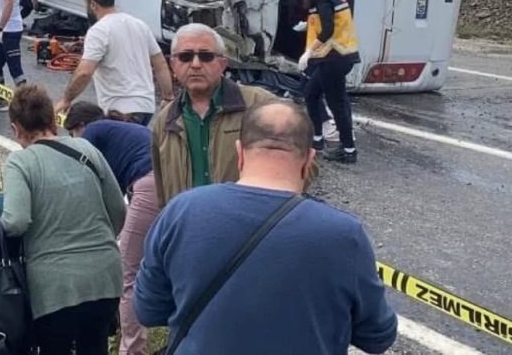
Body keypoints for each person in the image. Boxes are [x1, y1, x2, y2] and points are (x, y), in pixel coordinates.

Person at [135, 101, 398, 354]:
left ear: (239, 153)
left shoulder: (181, 211)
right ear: (309, 159)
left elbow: (149, 310)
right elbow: (378, 336)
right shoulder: (343, 234)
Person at [2, 85, 127, 354]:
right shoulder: (86, 149)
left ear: (15, 129)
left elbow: (16, 222)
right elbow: (118, 210)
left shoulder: (20, 163)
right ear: (52, 119)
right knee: (95, 346)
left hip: (54, 287)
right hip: (105, 276)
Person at [63, 103, 156, 355]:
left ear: (80, 126)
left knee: (127, 272)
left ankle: (131, 350)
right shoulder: (122, 134)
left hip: (149, 185)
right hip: (171, 182)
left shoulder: (93, 132)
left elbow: (79, 179)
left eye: (72, 135)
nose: (74, 141)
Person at [150, 23, 277, 207]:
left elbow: (303, 166)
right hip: (192, 228)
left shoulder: (261, 106)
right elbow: (162, 194)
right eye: (185, 57)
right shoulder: (164, 122)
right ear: (173, 66)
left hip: (250, 228)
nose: (195, 64)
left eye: (206, 56)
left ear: (223, 64)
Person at [54, 0, 173, 126]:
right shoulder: (139, 25)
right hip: (146, 106)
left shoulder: (99, 31)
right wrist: (168, 96)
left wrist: (66, 99)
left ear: (93, 5)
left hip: (120, 109)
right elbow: (160, 63)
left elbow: (84, 72)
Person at [299, 0, 361, 164]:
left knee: (337, 103)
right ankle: (317, 139)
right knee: (311, 93)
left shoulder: (324, 1)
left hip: (332, 58)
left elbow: (327, 30)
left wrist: (308, 52)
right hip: (342, 57)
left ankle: (348, 150)